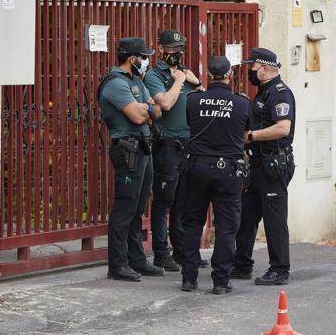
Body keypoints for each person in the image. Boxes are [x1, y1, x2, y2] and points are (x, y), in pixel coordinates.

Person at [180, 56, 250, 294]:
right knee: (227, 227)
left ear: (208, 76)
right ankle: (221, 281)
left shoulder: (193, 100)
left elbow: (191, 124)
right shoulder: (241, 103)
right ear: (230, 75)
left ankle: (189, 278)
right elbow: (245, 132)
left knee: (191, 224)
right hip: (228, 171)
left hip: (197, 168)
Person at [97, 37, 165, 281]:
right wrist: (145, 108)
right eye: (144, 57)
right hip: (127, 149)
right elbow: (137, 117)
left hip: (143, 148)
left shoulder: (135, 80)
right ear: (132, 58)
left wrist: (145, 108)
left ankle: (137, 259)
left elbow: (157, 110)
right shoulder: (115, 83)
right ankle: (117, 264)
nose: (146, 61)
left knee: (137, 207)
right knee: (125, 206)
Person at [144, 29, 208, 271]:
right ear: (160, 49)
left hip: (187, 143)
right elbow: (166, 103)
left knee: (183, 201)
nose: (176, 54)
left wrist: (197, 83)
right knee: (163, 201)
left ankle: (183, 251)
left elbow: (199, 101)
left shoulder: (185, 74)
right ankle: (162, 253)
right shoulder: (154, 75)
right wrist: (180, 80)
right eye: (171, 50)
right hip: (166, 144)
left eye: (179, 50)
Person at [232, 47, 296, 285]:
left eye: (253, 66)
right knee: (247, 218)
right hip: (257, 165)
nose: (250, 70)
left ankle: (280, 269)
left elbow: (283, 128)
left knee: (274, 220)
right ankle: (241, 265)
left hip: (273, 164)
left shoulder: (279, 93)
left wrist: (251, 137)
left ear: (264, 68)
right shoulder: (262, 93)